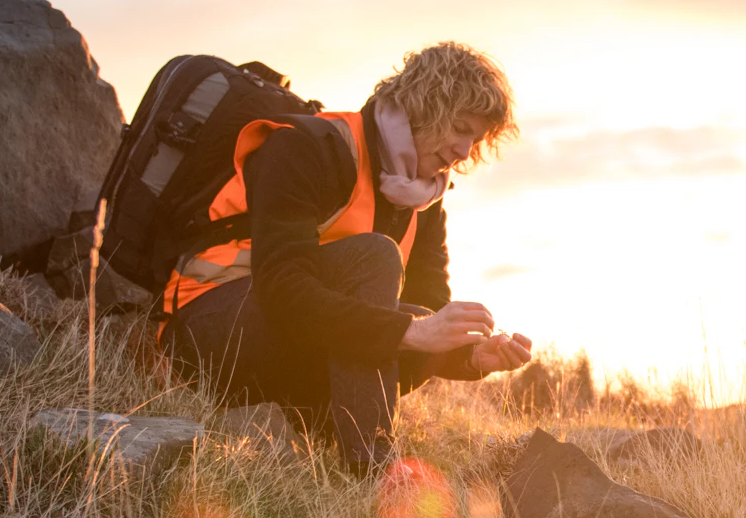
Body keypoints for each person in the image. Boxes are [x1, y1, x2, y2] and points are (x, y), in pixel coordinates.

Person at [162, 41, 533, 471]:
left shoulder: (425, 205)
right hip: (209, 331)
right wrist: (411, 332)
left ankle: (328, 429)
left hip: (293, 350)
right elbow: (284, 292)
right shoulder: (308, 147)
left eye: (476, 139)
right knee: (377, 260)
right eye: (461, 128)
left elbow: (422, 318)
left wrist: (469, 356)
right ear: (427, 103)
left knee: (418, 315)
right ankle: (374, 468)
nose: (465, 151)